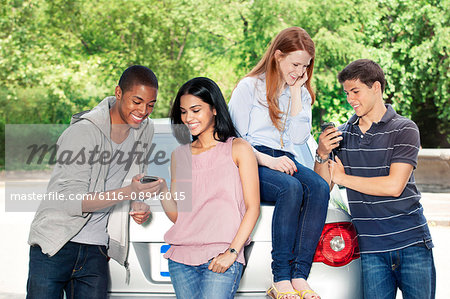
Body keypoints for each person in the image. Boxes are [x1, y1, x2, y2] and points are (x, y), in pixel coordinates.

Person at [27, 65, 163, 299]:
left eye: (150, 104)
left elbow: (136, 175)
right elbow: (73, 202)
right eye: (137, 101)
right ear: (118, 93)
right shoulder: (83, 133)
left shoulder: (144, 130)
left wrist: (137, 201)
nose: (143, 111)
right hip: (57, 244)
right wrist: (129, 191)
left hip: (96, 251)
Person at [315, 59, 435, 299]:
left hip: (411, 243)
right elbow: (322, 189)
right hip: (371, 251)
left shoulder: (404, 129)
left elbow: (394, 186)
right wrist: (322, 154)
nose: (350, 99)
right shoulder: (341, 136)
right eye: (347, 92)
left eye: (356, 91)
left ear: (376, 87)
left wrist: (343, 178)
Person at [228, 27, 330, 299]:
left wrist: (296, 92)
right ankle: (281, 278)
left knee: (319, 187)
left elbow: (298, 137)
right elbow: (233, 140)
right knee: (291, 188)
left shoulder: (302, 93)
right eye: (295, 64)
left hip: (285, 158)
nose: (299, 71)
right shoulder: (249, 87)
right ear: (277, 56)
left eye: (306, 66)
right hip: (251, 161)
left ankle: (299, 276)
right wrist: (268, 161)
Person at [159, 77, 260, 299]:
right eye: (184, 112)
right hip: (181, 259)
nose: (188, 118)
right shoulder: (180, 156)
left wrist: (232, 252)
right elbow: (179, 217)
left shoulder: (238, 149)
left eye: (196, 110)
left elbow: (253, 208)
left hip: (222, 254)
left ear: (214, 109)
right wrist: (162, 190)